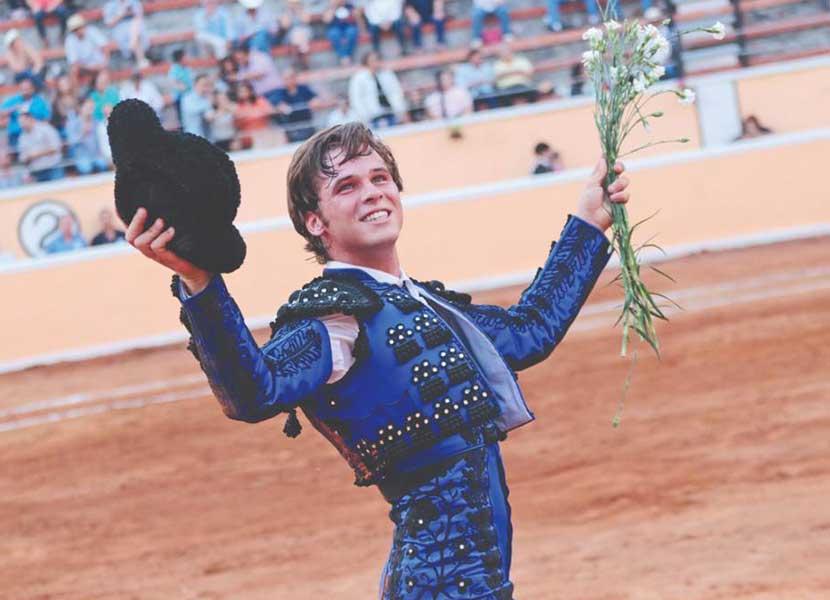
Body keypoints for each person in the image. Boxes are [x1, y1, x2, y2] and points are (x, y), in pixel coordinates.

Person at [123, 121, 632, 598]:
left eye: (380, 177)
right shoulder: (333, 319)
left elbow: (529, 332)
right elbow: (254, 391)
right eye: (346, 186)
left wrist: (590, 218)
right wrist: (200, 283)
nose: (371, 191)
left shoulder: (424, 305)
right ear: (314, 220)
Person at [348, 51, 407, 128]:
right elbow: (356, 99)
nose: (376, 62)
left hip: (391, 112)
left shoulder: (387, 74)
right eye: (373, 60)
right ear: (366, 62)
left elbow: (396, 91)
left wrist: (400, 109)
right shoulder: (358, 78)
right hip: (372, 116)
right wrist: (365, 116)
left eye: (377, 60)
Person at [270, 68, 321, 143]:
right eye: (286, 79)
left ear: (295, 78)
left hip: (307, 123)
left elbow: (315, 100)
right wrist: (281, 106)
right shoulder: (280, 91)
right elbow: (277, 103)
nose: (289, 80)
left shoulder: (303, 89)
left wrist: (313, 103)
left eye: (291, 78)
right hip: (292, 126)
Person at [0, 76, 51, 148]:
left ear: (32, 89)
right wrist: (13, 108)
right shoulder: (14, 100)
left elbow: (46, 118)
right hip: (16, 135)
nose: (25, 91)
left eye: (27, 89)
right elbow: (1, 112)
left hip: (35, 135)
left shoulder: (39, 101)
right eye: (22, 89)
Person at [66, 97, 110, 174]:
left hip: (97, 155)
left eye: (92, 108)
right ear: (80, 108)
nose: (91, 110)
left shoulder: (96, 122)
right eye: (88, 107)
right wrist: (82, 134)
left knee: (103, 164)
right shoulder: (72, 124)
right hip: (81, 156)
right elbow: (70, 142)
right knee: (86, 168)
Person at [18, 109, 64, 182]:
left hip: (53, 169)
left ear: (30, 119)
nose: (21, 125)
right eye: (20, 123)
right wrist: (28, 158)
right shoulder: (22, 137)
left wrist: (36, 154)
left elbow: (56, 147)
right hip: (38, 173)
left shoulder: (46, 129)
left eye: (23, 122)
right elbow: (22, 158)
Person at [233, 80, 282, 148]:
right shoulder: (237, 106)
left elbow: (270, 110)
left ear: (250, 91)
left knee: (278, 133)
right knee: (259, 138)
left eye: (244, 91)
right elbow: (237, 120)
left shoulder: (259, 101)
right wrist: (256, 113)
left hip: (264, 131)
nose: (242, 93)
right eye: (240, 92)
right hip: (248, 135)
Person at [64, 14, 109, 88]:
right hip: (84, 67)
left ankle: (104, 96)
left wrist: (104, 63)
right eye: (75, 29)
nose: (78, 31)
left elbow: (105, 47)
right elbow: (74, 63)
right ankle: (77, 96)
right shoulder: (70, 40)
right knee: (73, 70)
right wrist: (89, 67)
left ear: (83, 26)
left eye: (79, 27)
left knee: (104, 74)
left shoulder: (92, 31)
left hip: (99, 64)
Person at [103, 0, 150, 68]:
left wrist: (130, 12)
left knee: (135, 28)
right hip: (119, 28)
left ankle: (137, 54)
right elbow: (109, 23)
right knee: (133, 33)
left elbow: (139, 17)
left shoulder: (133, 2)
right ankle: (141, 59)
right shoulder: (110, 5)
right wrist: (121, 14)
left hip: (136, 27)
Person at [278, 0, 314, 69]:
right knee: (296, 36)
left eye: (295, 3)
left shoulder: (303, 9)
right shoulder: (286, 12)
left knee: (299, 35)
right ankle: (304, 64)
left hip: (305, 33)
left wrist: (298, 10)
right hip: (291, 36)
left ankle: (296, 64)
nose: (293, 5)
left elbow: (306, 21)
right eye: (291, 3)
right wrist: (289, 12)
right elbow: (285, 26)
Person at [323, 0, 360, 65]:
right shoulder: (330, 7)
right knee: (333, 34)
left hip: (348, 27)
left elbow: (357, 17)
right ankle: (344, 57)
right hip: (335, 28)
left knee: (352, 32)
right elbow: (327, 20)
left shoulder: (349, 6)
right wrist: (334, 7)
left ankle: (346, 56)